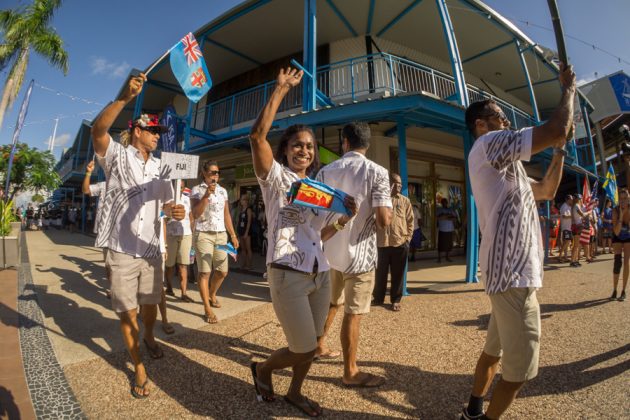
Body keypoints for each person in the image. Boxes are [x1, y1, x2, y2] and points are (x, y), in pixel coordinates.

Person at [460, 63, 575, 420]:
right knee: (520, 372)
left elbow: (545, 191)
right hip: (513, 278)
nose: (506, 121)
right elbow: (556, 127)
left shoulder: (509, 168)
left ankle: (474, 409)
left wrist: (558, 152)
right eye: (500, 115)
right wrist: (568, 90)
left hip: (505, 276)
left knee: (493, 352)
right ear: (482, 124)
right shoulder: (488, 145)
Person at [248, 67, 356, 417]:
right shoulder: (274, 178)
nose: (305, 151)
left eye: (309, 146)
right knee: (301, 347)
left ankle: (294, 392)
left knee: (312, 348)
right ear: (286, 150)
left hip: (319, 272)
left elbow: (319, 234)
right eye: (298, 145)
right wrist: (280, 90)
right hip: (286, 272)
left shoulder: (321, 192)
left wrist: (343, 220)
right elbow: (256, 137)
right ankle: (264, 370)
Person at [90, 72, 185, 399]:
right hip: (121, 250)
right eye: (153, 131)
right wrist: (125, 98)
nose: (158, 136)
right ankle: (138, 366)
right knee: (127, 311)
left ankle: (149, 334)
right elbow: (98, 130)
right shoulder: (116, 155)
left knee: (149, 307)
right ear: (137, 131)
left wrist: (176, 210)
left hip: (151, 249)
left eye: (159, 131)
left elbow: (169, 199)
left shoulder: (162, 165)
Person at [315, 121, 393, 388]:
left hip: (329, 252)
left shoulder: (325, 171)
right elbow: (383, 221)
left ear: (344, 143)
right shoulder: (378, 172)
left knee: (331, 304)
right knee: (353, 313)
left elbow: (315, 214)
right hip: (361, 256)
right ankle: (350, 371)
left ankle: (319, 346)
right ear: (367, 145)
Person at [191, 161, 239, 323]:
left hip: (221, 235)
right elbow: (196, 214)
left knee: (222, 271)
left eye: (217, 173)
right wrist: (206, 196)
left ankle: (212, 293)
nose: (215, 176)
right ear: (204, 173)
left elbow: (226, 215)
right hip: (203, 234)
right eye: (212, 172)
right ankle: (207, 308)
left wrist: (232, 235)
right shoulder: (196, 190)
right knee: (205, 272)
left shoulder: (223, 191)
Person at [373, 173, 414, 311]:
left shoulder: (405, 201)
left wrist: (407, 239)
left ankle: (396, 300)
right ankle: (378, 298)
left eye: (401, 183)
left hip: (399, 243)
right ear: (388, 183)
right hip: (381, 243)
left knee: (398, 273)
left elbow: (410, 221)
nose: (399, 186)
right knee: (380, 273)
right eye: (396, 183)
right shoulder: (379, 200)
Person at [82, 160, 110, 298]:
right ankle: (112, 287)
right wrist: (88, 172)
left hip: (124, 229)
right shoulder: (103, 185)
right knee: (109, 262)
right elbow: (86, 190)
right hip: (106, 229)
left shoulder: (128, 184)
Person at [164, 180, 195, 303]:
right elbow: (162, 218)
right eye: (177, 186)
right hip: (171, 235)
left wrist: (192, 232)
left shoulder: (187, 200)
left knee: (183, 265)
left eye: (181, 187)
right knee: (170, 265)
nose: (179, 189)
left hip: (185, 234)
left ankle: (183, 293)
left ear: (184, 188)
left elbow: (192, 217)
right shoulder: (167, 200)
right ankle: (170, 287)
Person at [611, 188, 629, 302]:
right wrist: (621, 216)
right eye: (621, 198)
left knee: (626, 262)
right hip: (617, 236)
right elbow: (616, 232)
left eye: (625, 198)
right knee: (618, 262)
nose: (622, 201)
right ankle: (615, 289)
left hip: (628, 236)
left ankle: (623, 290)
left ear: (628, 199)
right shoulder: (615, 210)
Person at [436, 198, 457, 263]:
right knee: (441, 244)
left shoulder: (451, 210)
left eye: (446, 202)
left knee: (449, 244)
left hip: (450, 229)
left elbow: (455, 219)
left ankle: (447, 257)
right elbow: (438, 218)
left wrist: (445, 216)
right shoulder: (439, 210)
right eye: (443, 202)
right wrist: (449, 216)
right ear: (441, 203)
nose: (445, 203)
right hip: (442, 229)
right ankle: (439, 258)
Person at [236, 195, 254, 269]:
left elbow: (249, 222)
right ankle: (243, 264)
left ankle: (249, 265)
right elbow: (239, 221)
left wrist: (246, 232)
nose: (242, 201)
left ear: (246, 201)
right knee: (243, 249)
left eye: (243, 200)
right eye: (241, 200)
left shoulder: (248, 210)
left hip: (247, 231)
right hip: (241, 230)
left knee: (248, 248)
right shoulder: (241, 210)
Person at [570, 194, 587, 267]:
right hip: (577, 227)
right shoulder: (576, 205)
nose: (581, 200)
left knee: (577, 245)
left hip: (577, 226)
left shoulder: (575, 206)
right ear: (578, 199)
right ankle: (572, 261)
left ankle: (575, 260)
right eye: (580, 199)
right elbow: (582, 214)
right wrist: (588, 213)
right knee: (576, 245)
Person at [558, 195, 573, 262]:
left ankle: (565, 257)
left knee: (568, 242)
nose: (572, 200)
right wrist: (572, 215)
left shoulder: (569, 206)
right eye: (571, 199)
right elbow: (564, 216)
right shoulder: (564, 206)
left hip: (569, 227)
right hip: (565, 227)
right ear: (567, 199)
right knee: (566, 242)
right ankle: (560, 256)